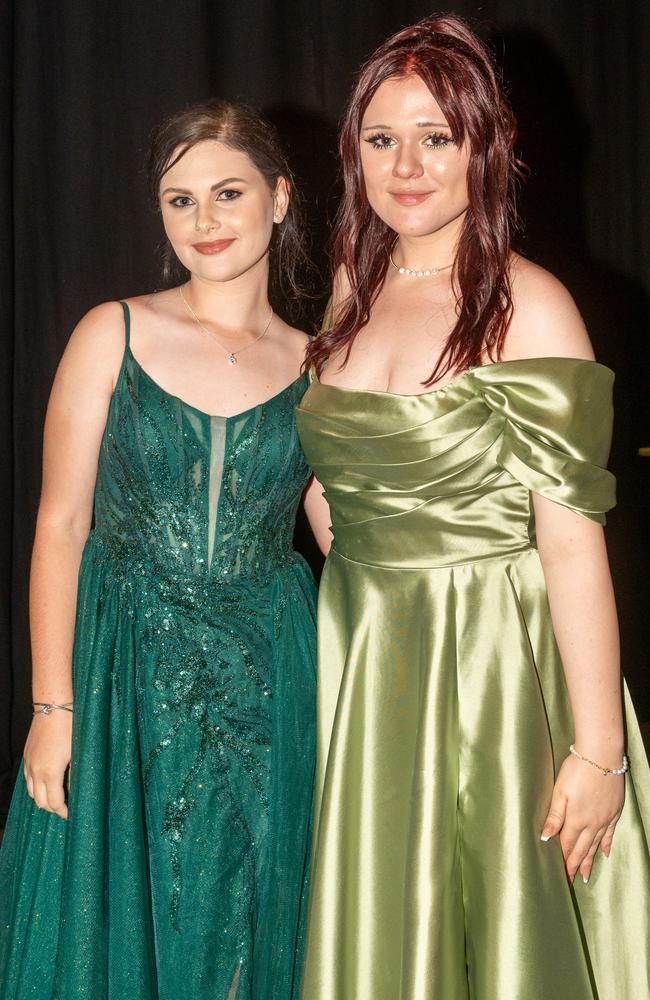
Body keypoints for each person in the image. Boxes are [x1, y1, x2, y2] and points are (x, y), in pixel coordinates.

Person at [297, 15, 650, 999]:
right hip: (369, 665)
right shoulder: (345, 295)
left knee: (504, 939)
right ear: (352, 154)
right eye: (380, 139)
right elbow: (328, 487)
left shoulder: (525, 304)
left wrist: (596, 750)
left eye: (434, 137)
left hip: (494, 667)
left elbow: (573, 544)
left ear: (481, 148)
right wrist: (362, 596)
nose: (405, 164)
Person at [0, 99, 316, 1000]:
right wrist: (51, 708)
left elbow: (355, 537)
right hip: (122, 683)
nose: (204, 221)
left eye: (228, 192)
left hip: (269, 689)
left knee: (248, 940)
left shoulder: (319, 364)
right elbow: (61, 525)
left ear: (281, 197)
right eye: (180, 201)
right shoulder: (113, 332)